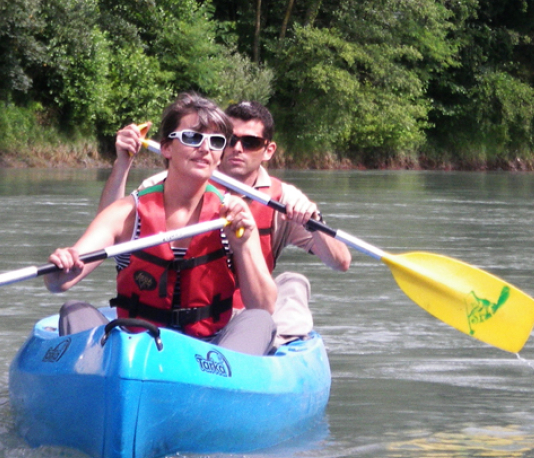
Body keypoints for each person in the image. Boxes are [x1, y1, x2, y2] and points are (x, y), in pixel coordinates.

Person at [45, 93, 278, 355]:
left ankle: (220, 386)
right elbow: (58, 283)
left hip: (208, 351)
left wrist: (244, 244)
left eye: (215, 142)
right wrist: (62, 263)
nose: (204, 148)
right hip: (134, 350)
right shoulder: (127, 213)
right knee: (73, 310)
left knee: (259, 321)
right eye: (192, 137)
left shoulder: (232, 216)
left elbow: (264, 306)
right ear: (166, 147)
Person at [99, 100, 350, 342]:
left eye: (250, 142)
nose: (237, 149)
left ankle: (266, 349)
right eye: (229, 140)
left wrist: (313, 221)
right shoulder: (170, 183)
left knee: (293, 284)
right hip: (185, 312)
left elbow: (340, 262)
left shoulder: (283, 199)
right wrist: (122, 165)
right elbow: (108, 226)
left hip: (249, 312)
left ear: (268, 150)